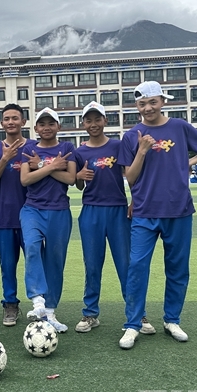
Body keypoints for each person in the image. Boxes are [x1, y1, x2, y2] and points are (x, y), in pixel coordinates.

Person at [117, 81, 197, 349]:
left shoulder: (179, 127)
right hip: (144, 211)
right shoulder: (132, 136)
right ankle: (132, 324)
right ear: (136, 106)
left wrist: (189, 162)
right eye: (142, 104)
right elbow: (130, 177)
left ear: (163, 101)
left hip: (179, 209)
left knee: (177, 268)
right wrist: (142, 151)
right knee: (137, 267)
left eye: (153, 102)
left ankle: (172, 319)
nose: (148, 108)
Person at [73, 102, 134, 334]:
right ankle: (90, 313)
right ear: (83, 124)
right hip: (91, 211)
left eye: (97, 119)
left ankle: (136, 313)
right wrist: (79, 176)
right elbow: (78, 185)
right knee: (92, 264)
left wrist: (134, 200)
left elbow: (131, 175)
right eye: (88, 120)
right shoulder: (80, 152)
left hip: (118, 210)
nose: (93, 124)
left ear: (105, 121)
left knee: (125, 264)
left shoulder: (118, 146)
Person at [19, 107, 77, 332]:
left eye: (51, 123)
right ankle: (37, 300)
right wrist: (53, 166)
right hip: (32, 209)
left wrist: (42, 165)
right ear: (35, 128)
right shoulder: (29, 149)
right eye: (42, 124)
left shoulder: (67, 148)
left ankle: (50, 312)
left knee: (55, 261)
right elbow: (25, 179)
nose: (46, 128)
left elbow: (70, 178)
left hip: (59, 211)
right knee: (32, 246)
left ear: (58, 126)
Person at [0, 104, 28, 326]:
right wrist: (5, 158)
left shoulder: (33, 146)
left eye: (15, 118)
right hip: (4, 216)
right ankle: (10, 304)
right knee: (8, 265)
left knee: (35, 263)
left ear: (23, 122)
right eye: (7, 119)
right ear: (2, 123)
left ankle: (41, 304)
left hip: (31, 216)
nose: (11, 122)